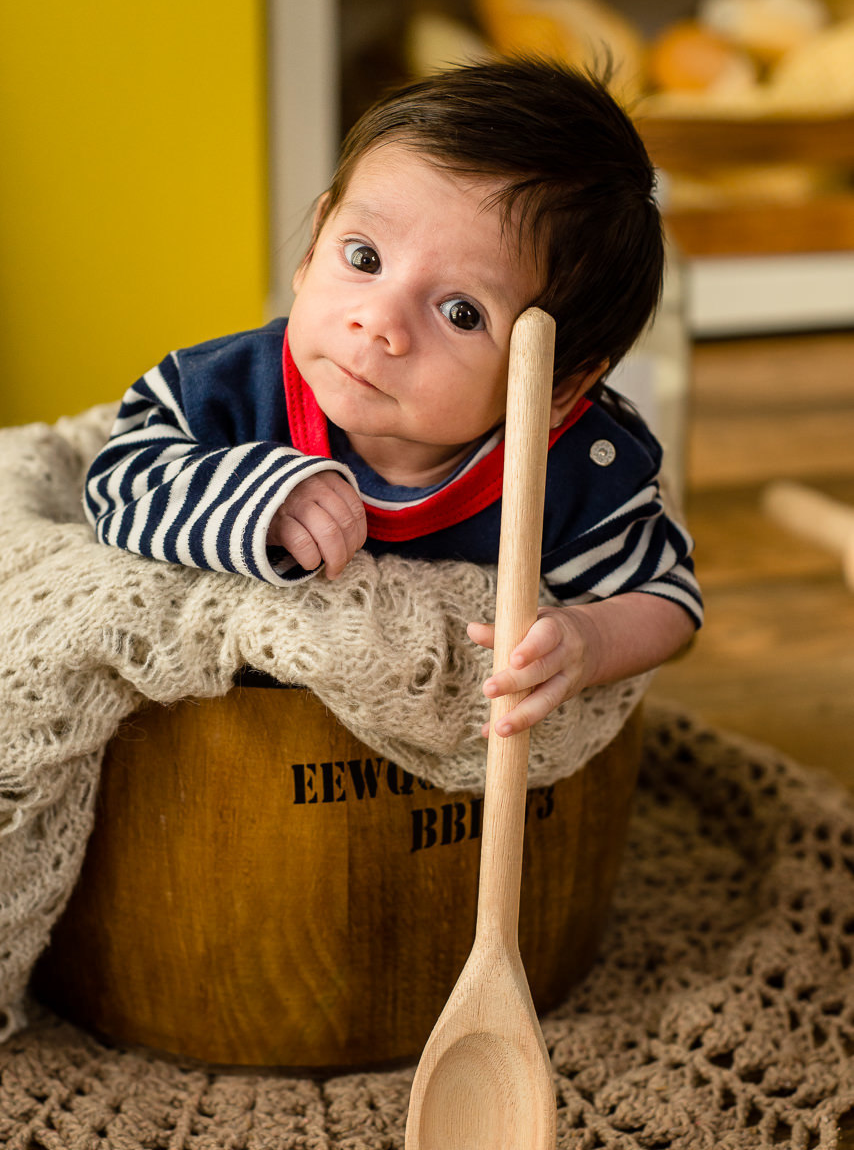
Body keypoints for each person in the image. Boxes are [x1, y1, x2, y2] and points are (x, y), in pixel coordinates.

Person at [84, 57, 702, 738]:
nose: (378, 322)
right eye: (364, 258)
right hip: (254, 737)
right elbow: (116, 486)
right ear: (314, 245)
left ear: (559, 385)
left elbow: (669, 599)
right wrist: (259, 497)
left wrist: (589, 639)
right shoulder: (225, 389)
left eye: (461, 313)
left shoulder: (573, 467)